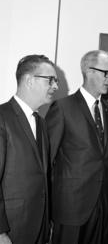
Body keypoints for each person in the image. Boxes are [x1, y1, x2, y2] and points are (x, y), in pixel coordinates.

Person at [45, 50, 108, 244]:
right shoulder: (62, 108)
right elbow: (45, 161)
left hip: (105, 208)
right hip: (70, 208)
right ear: (89, 71)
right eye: (107, 73)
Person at [0, 54, 58, 244]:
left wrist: (47, 222)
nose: (55, 86)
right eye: (50, 80)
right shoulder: (2, 117)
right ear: (29, 81)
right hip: (11, 229)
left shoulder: (41, 122)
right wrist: (0, 233)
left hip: (39, 227)